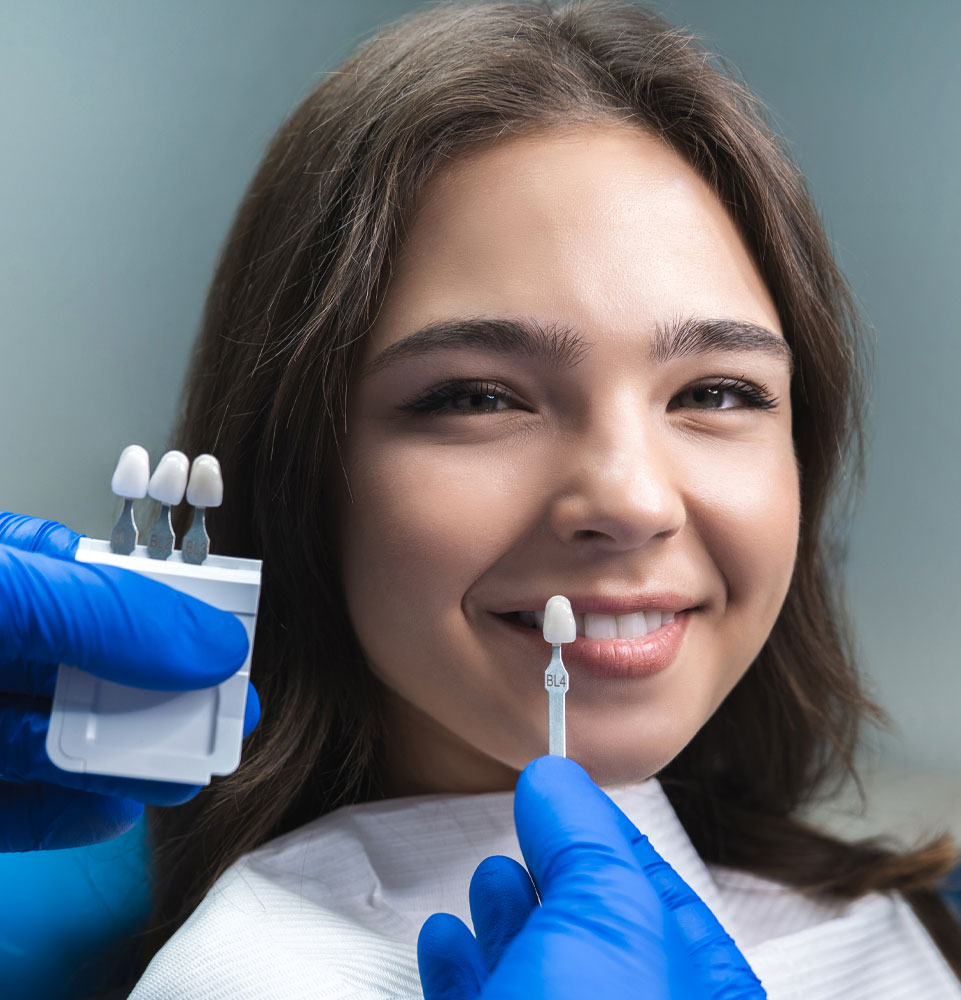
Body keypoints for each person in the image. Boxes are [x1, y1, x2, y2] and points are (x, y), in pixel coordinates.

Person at [1, 0, 959, 996]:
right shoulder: (256, 976)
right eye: (478, 396)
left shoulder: (876, 919)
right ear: (302, 470)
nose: (631, 501)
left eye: (716, 391)